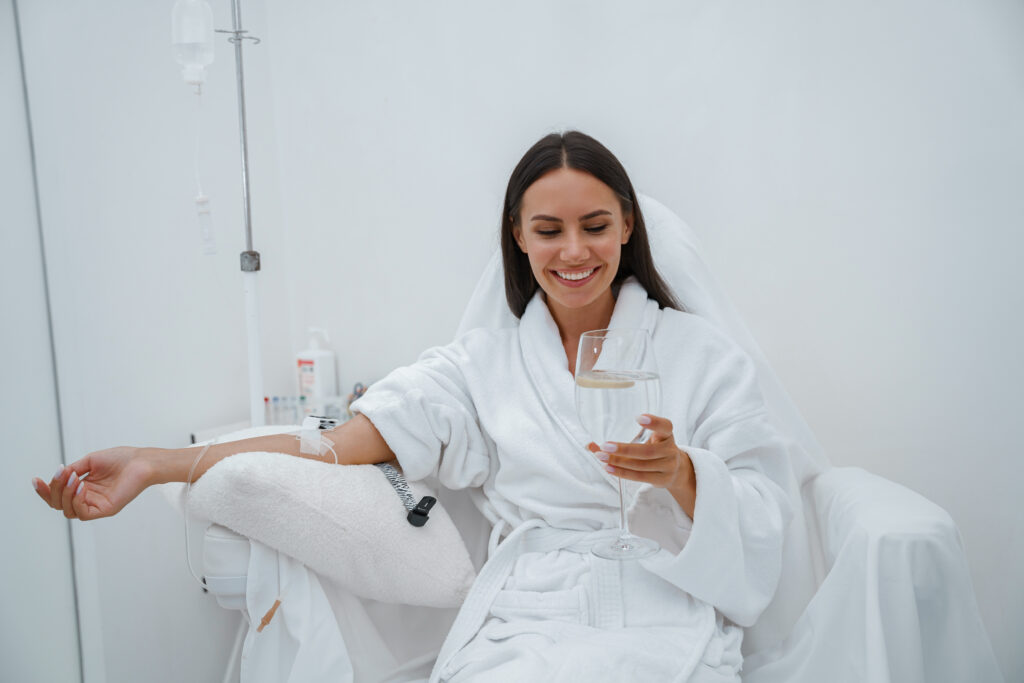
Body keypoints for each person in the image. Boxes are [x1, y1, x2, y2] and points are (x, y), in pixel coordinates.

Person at [34, 131, 793, 682]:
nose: (574, 252)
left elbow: (764, 511)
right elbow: (343, 441)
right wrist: (159, 463)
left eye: (595, 226)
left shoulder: (703, 358)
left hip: (661, 599)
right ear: (517, 236)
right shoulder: (483, 365)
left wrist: (683, 475)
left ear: (628, 227)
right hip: (531, 611)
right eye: (548, 229)